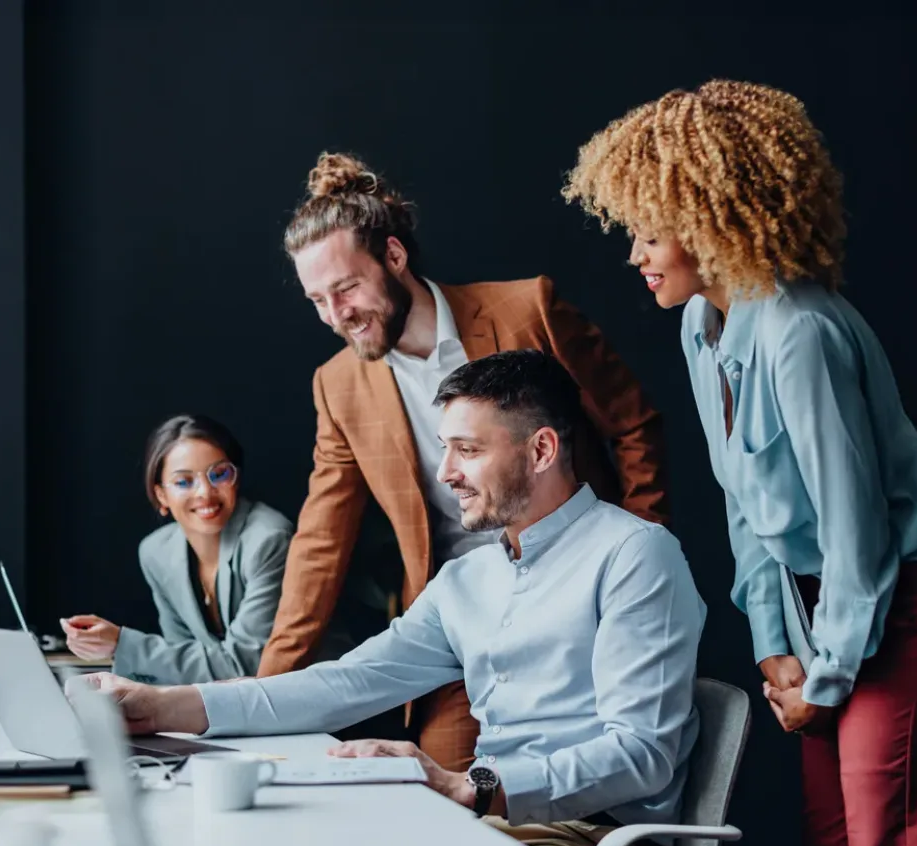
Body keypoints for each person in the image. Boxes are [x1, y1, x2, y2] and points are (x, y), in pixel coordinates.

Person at [563, 80, 917, 846]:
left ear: (705, 220)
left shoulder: (799, 330)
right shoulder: (704, 328)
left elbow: (855, 527)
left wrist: (828, 675)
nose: (634, 256)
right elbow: (745, 504)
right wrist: (774, 646)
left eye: (649, 234)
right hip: (829, 603)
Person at [89, 352, 703, 846]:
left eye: (468, 450)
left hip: (593, 840)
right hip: (491, 819)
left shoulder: (635, 555)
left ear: (541, 449)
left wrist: (476, 785)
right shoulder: (469, 577)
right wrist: (164, 705)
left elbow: (640, 752)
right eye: (445, 449)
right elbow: (346, 683)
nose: (446, 473)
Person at [257, 151, 669, 773]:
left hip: (577, 601)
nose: (336, 316)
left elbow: (634, 423)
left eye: (346, 287)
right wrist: (266, 696)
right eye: (317, 299)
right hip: (457, 624)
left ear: (394, 256)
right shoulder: (337, 385)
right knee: (441, 811)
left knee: (578, 792)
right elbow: (320, 540)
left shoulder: (528, 310)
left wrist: (634, 554)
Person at [62, 415, 294, 684]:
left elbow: (244, 663)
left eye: (219, 474)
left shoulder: (269, 540)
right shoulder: (156, 552)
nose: (205, 493)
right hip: (233, 706)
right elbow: (182, 660)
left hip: (304, 704)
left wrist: (122, 645)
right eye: (184, 481)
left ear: (236, 479)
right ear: (161, 496)